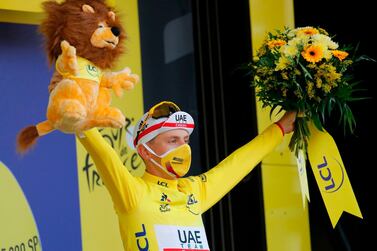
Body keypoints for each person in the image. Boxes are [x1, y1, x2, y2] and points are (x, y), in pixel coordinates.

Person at [78, 100, 296, 251]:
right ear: (145, 150)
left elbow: (238, 164)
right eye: (173, 140)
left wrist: (278, 129)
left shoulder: (193, 190)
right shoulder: (133, 193)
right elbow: (104, 155)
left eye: (185, 140)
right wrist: (77, 113)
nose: (183, 148)